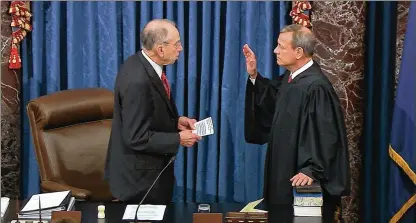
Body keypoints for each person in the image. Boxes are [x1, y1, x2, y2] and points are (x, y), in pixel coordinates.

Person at [243, 24, 350, 221]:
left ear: (299, 52)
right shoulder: (291, 79)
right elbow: (270, 99)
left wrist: (312, 169)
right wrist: (254, 76)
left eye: (281, 46)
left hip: (303, 182)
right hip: (283, 175)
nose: (275, 50)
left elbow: (327, 134)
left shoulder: (316, 87)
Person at [104, 19, 201, 204]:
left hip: (150, 176)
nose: (180, 48)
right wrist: (179, 138)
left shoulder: (142, 64)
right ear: (160, 49)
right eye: (177, 44)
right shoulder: (137, 80)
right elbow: (136, 136)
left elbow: (148, 115)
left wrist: (176, 122)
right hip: (140, 184)